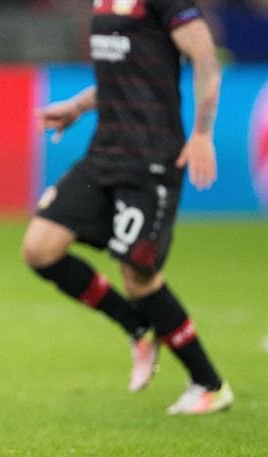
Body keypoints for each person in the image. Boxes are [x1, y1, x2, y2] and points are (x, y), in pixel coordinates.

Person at [21, 0, 234, 415]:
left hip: (152, 157)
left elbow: (206, 55)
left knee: (138, 275)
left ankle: (209, 384)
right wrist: (77, 107)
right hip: (105, 154)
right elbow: (124, 77)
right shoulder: (103, 5)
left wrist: (203, 132)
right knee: (40, 247)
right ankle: (135, 325)